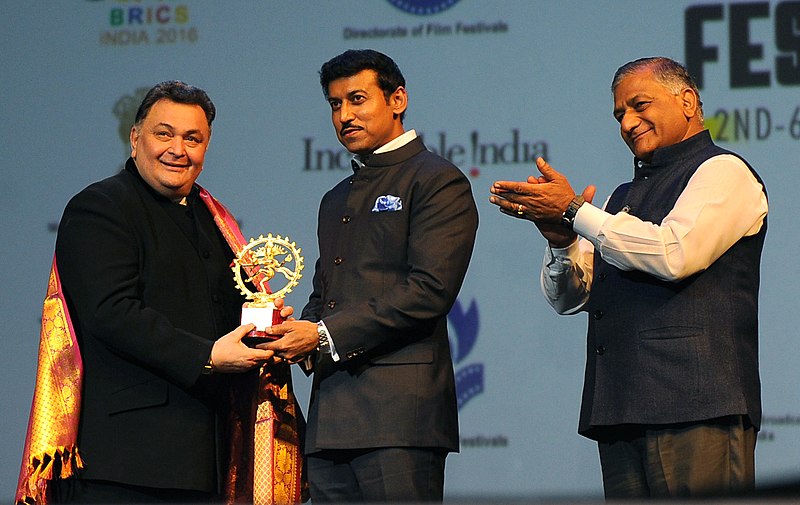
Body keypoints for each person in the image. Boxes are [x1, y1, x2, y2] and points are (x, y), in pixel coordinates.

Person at [489, 57, 768, 499]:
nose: (628, 122)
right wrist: (563, 240)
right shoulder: (623, 196)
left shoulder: (724, 171)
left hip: (695, 407)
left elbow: (674, 253)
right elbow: (569, 299)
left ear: (688, 101)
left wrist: (577, 212)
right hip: (621, 409)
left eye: (639, 105)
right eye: (620, 114)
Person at [16, 81, 303, 504]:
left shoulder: (211, 219)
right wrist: (206, 356)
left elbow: (222, 313)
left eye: (193, 138)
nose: (177, 149)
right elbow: (111, 312)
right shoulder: (101, 206)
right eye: (163, 134)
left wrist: (266, 325)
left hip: (208, 459)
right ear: (135, 139)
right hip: (124, 462)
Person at [262, 49, 479, 502]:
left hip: (400, 415)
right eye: (335, 105)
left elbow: (429, 291)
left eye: (357, 99)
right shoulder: (336, 197)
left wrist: (319, 335)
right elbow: (327, 289)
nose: (345, 115)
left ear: (397, 99)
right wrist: (291, 333)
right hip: (329, 418)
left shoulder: (437, 180)